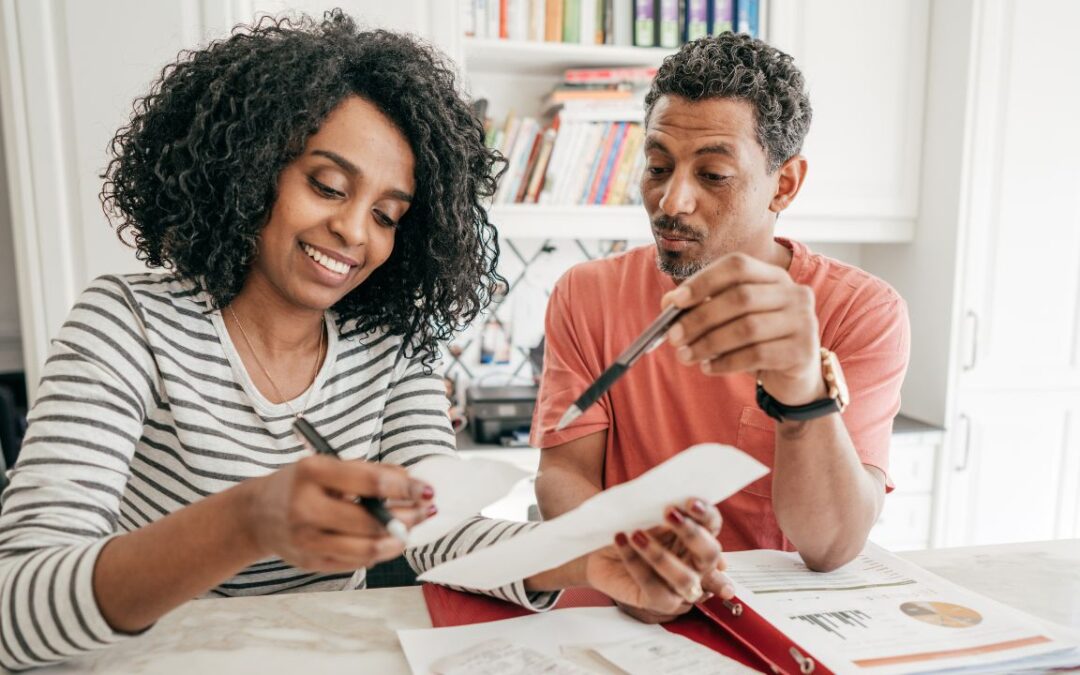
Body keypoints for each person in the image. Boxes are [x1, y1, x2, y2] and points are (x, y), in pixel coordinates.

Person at [0, 12, 730, 669]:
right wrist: (248, 520)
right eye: (326, 185)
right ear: (250, 171)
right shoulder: (126, 324)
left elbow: (441, 538)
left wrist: (587, 556)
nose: (354, 232)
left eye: (387, 214)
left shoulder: (390, 347)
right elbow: (16, 609)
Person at [532, 32, 911, 621]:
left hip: (768, 621)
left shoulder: (860, 311)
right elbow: (563, 474)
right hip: (620, 611)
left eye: (712, 175)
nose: (671, 200)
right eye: (658, 166)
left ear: (783, 184)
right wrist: (631, 558)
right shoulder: (587, 294)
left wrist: (800, 382)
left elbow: (832, 545)